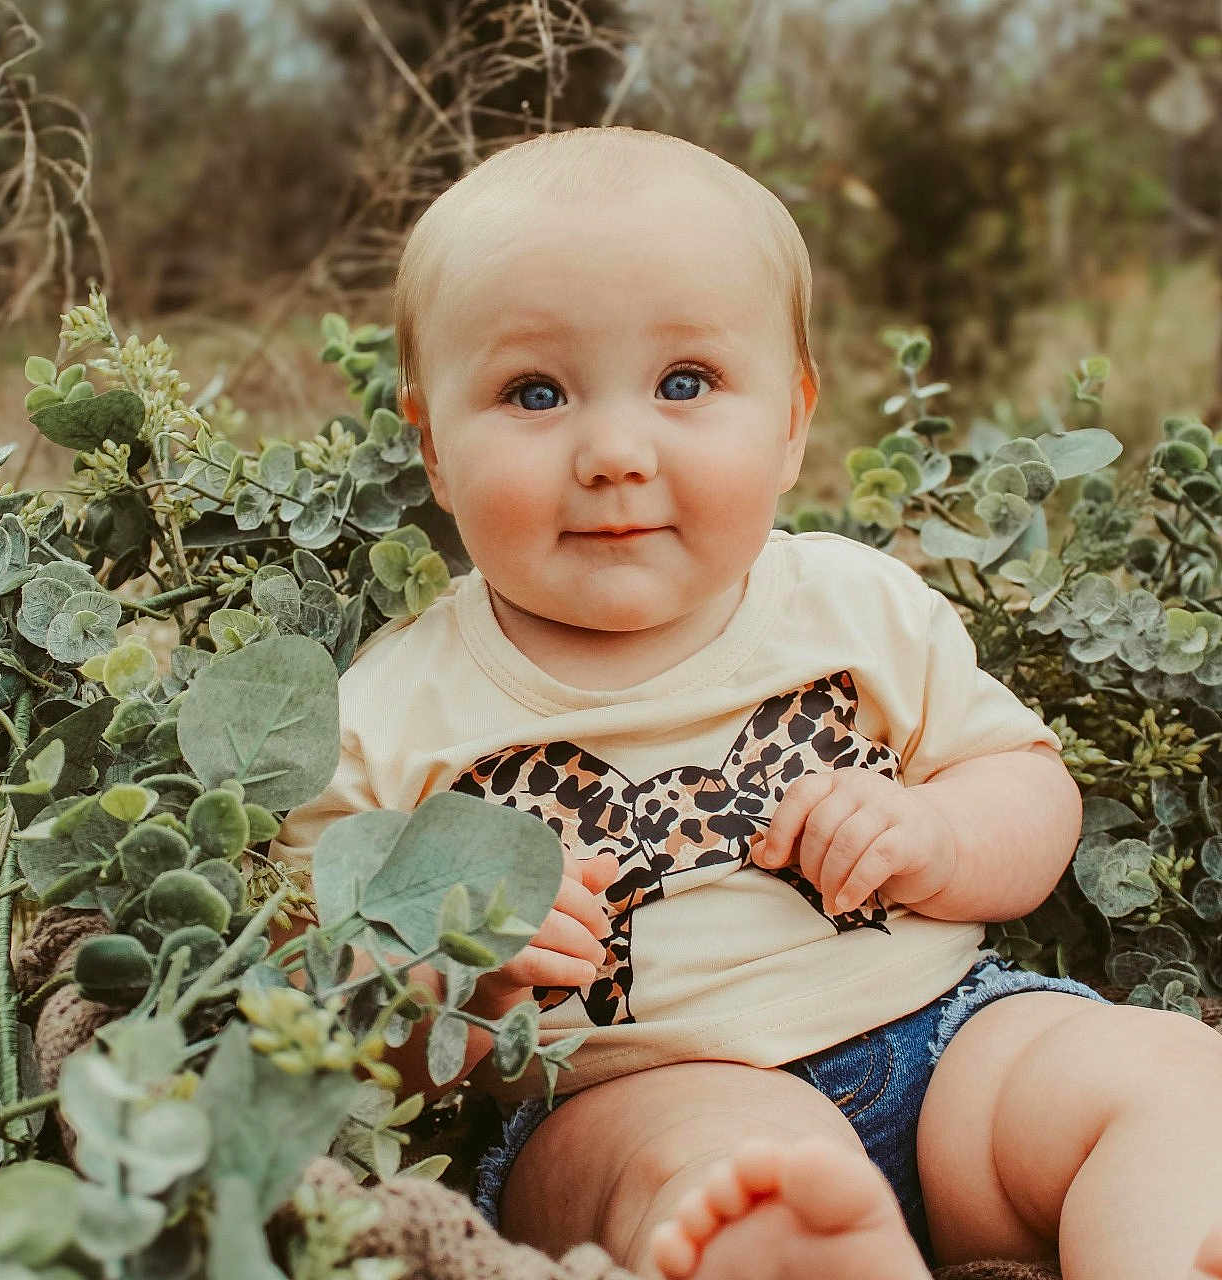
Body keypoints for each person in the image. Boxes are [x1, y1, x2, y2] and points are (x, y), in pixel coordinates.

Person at [270, 125, 1222, 1280]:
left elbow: (1025, 789)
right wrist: (452, 966)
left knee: (1165, 1074)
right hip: (630, 1098)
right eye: (534, 392)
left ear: (790, 419)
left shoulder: (852, 602)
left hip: (947, 1036)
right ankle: (817, 1250)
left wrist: (938, 831)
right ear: (431, 447)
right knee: (740, 1182)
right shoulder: (386, 718)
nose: (614, 450)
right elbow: (323, 1019)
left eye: (685, 383)